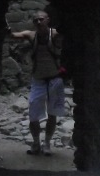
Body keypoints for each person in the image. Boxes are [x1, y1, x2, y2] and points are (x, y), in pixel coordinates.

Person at [9, 11, 65, 156]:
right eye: (36, 20)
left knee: (52, 114)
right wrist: (7, 30)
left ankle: (47, 143)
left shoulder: (54, 35)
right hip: (38, 80)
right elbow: (14, 35)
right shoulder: (31, 35)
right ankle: (36, 143)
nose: (38, 22)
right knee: (33, 114)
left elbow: (66, 35)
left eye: (41, 19)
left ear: (48, 20)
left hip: (54, 79)